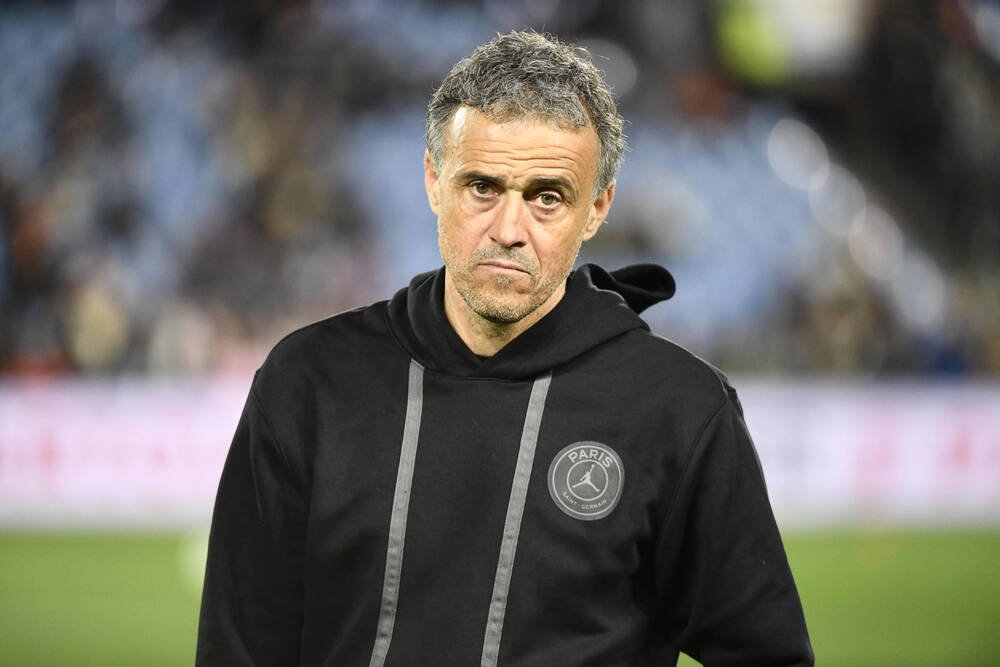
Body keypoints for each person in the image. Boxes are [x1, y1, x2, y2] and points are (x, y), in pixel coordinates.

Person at [197, 30, 813, 666]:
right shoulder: (309, 381)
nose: (509, 229)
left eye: (547, 197)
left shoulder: (679, 409)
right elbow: (239, 650)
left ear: (597, 209)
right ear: (433, 181)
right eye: (482, 187)